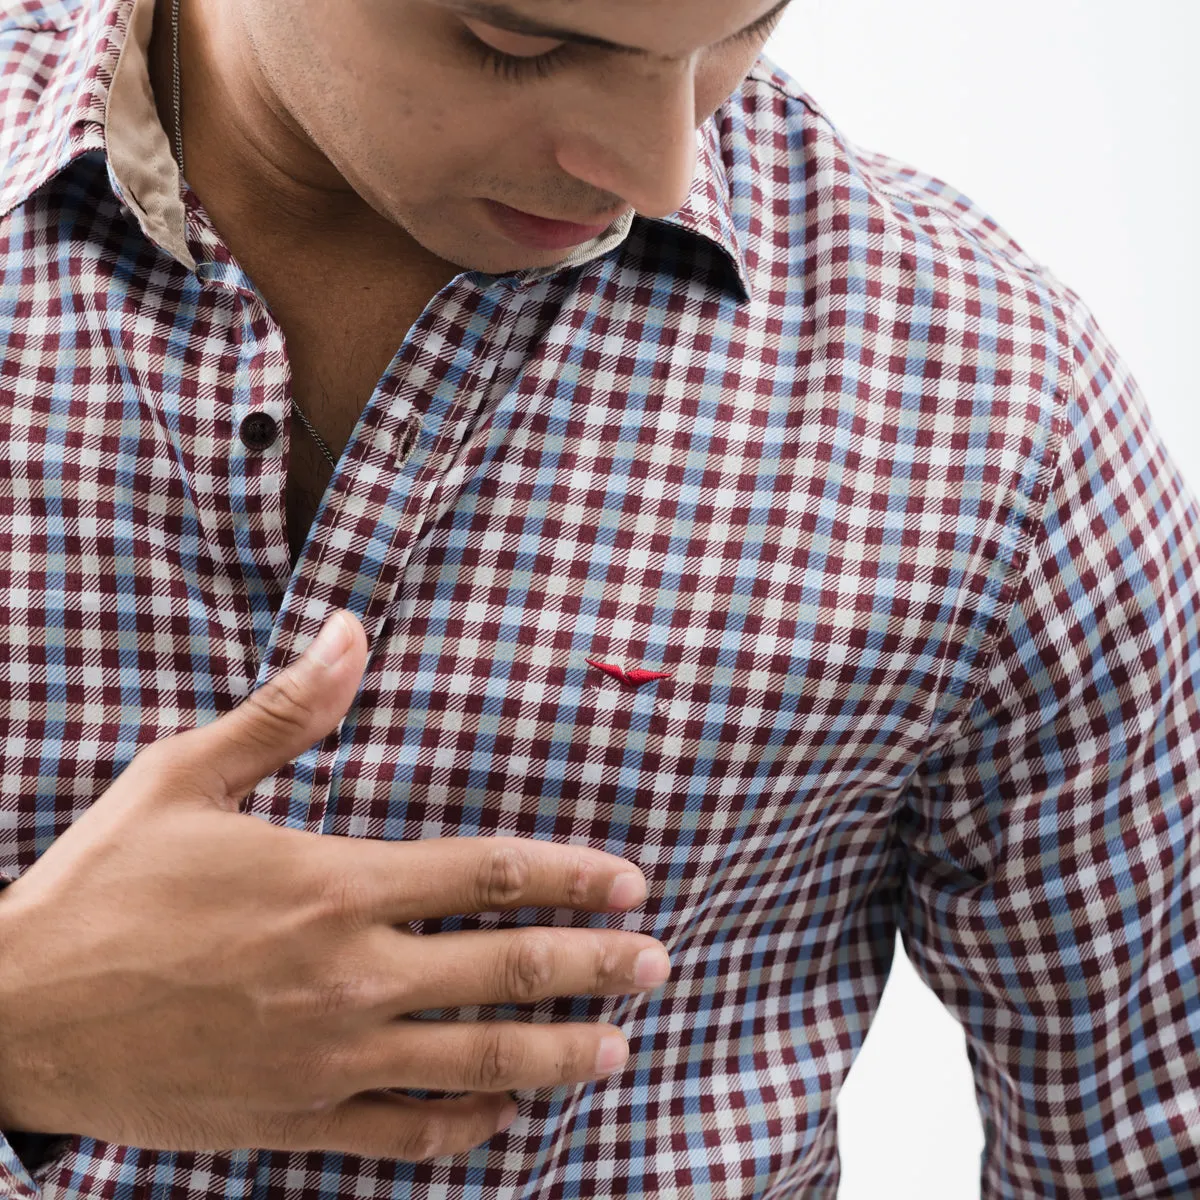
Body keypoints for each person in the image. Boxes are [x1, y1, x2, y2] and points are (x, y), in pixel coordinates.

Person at [0, 0, 1196, 1196]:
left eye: (745, 28)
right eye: (520, 43)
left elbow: (1147, 1154)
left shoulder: (998, 410)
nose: (658, 170)